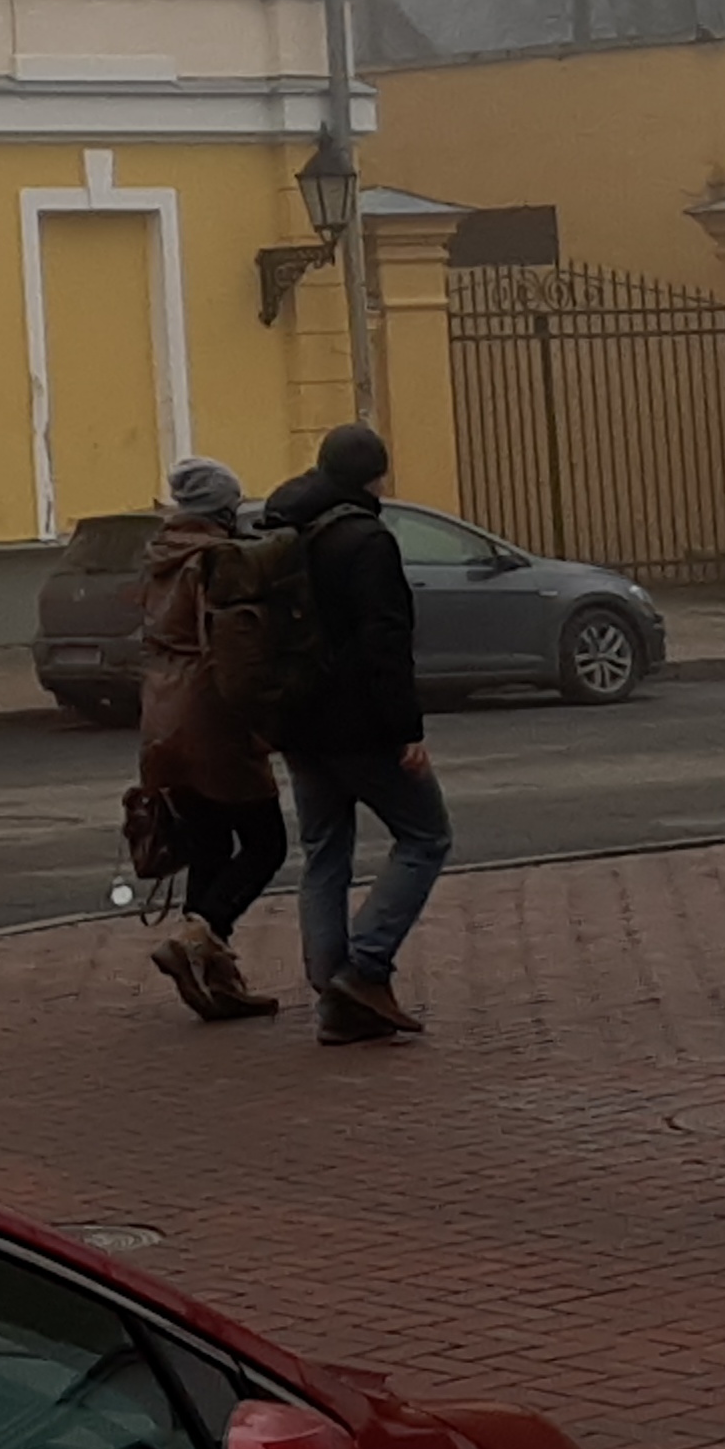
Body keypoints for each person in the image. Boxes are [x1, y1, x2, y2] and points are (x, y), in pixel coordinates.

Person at [265, 418, 450, 1048]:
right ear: (375, 474)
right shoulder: (366, 540)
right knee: (426, 836)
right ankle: (364, 967)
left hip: (296, 720)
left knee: (324, 851)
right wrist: (407, 729)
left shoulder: (281, 527)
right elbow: (385, 641)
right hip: (359, 724)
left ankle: (333, 999)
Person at [128, 459, 285, 1021]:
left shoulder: (158, 557)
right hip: (210, 715)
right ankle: (199, 936)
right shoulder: (214, 562)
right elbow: (230, 651)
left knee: (210, 845)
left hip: (163, 714)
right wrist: (265, 718)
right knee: (268, 844)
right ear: (222, 508)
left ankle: (218, 980)